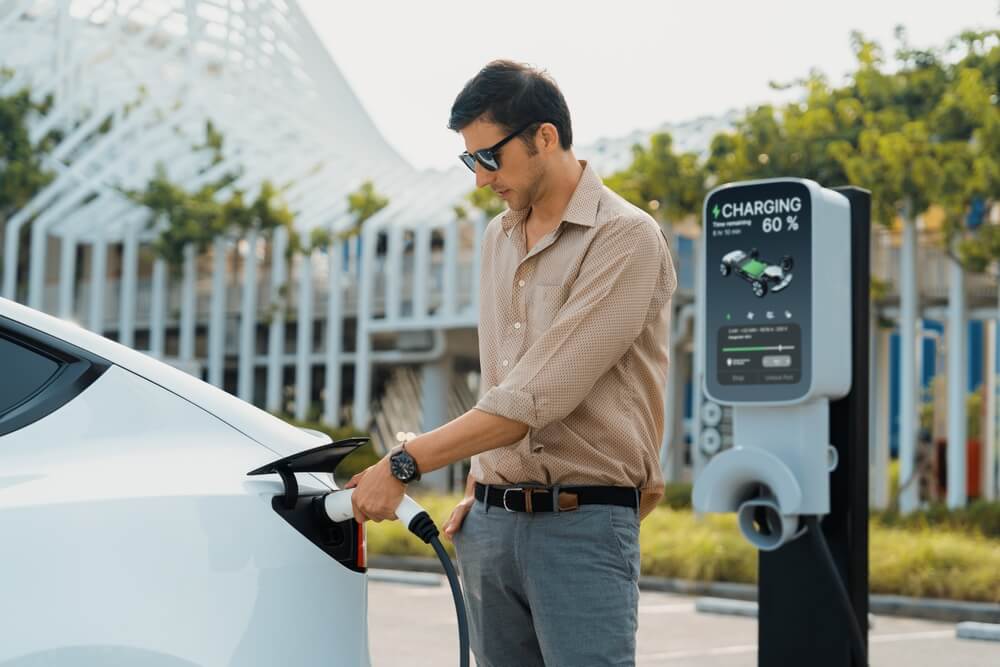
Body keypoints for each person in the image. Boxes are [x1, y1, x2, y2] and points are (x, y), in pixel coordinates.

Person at [346, 59, 677, 666]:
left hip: (581, 528)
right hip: (490, 525)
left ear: (544, 137)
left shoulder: (625, 238)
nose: (480, 179)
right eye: (469, 161)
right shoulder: (500, 238)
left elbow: (537, 396)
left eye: (489, 157)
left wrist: (403, 462)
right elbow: (501, 379)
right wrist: (482, 475)